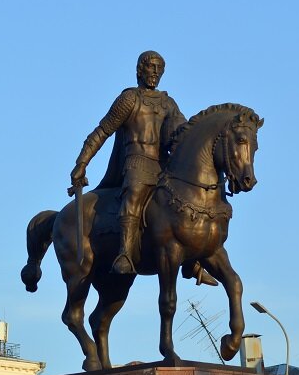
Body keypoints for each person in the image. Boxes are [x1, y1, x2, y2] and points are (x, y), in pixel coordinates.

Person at [69, 51, 216, 285]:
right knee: (134, 196)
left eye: (160, 68)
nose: (155, 72)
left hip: (163, 168)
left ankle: (193, 263)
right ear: (140, 69)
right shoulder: (129, 99)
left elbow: (183, 134)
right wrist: (81, 163)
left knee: (187, 206)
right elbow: (102, 131)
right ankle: (125, 253)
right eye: (151, 67)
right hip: (136, 162)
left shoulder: (168, 103)